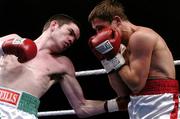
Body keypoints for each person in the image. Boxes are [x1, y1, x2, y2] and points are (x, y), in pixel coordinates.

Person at [0, 14, 108, 119]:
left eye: (75, 39)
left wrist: (115, 104)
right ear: (54, 25)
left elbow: (82, 107)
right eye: (70, 33)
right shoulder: (13, 39)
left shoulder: (62, 64)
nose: (71, 40)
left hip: (23, 114)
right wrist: (4, 47)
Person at [88, 0, 179, 119]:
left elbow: (136, 84)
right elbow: (122, 93)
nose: (98, 34)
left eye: (100, 28)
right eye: (96, 30)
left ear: (117, 21)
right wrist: (106, 60)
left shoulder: (140, 37)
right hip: (137, 105)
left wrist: (113, 57)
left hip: (161, 104)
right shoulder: (122, 49)